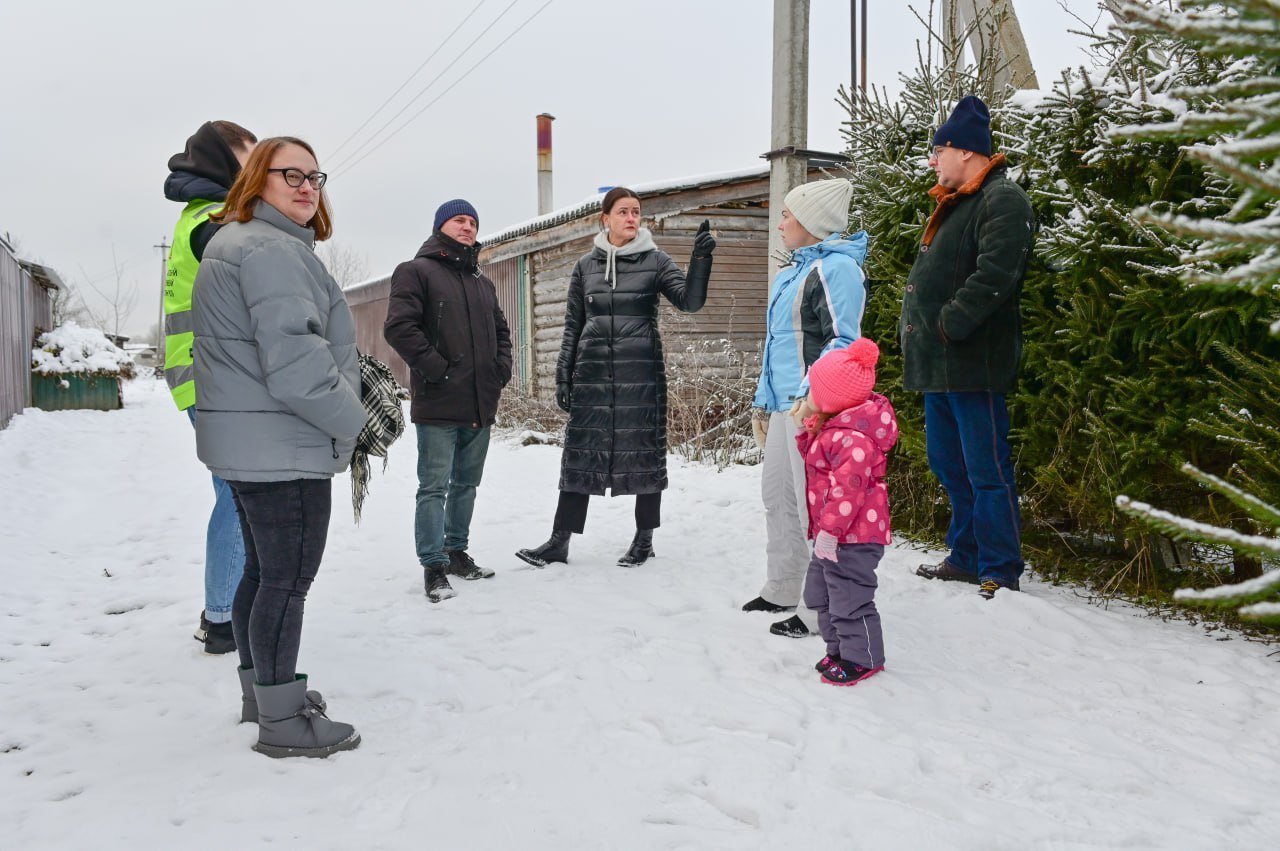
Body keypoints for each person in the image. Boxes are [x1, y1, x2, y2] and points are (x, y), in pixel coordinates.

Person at [192, 136, 364, 758]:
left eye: (315, 175)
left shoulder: (240, 242)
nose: (306, 185)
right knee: (285, 583)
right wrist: (354, 420)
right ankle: (283, 724)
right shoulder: (268, 249)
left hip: (253, 439)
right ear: (257, 177)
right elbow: (297, 367)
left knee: (264, 574)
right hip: (281, 441)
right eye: (289, 173)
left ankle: (262, 696)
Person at [515, 187, 716, 568]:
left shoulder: (655, 261)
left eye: (636, 212)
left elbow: (690, 302)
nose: (631, 218)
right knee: (579, 457)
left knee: (644, 454)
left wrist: (701, 259)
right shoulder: (585, 266)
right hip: (591, 376)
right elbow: (572, 326)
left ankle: (644, 539)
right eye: (623, 211)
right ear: (604, 219)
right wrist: (563, 377)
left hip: (640, 373)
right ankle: (559, 541)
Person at [903, 95, 1035, 600]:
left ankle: (1001, 568)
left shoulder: (1003, 199)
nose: (934, 160)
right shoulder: (958, 201)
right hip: (940, 366)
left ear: (965, 150)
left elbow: (996, 275)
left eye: (939, 150)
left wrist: (947, 325)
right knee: (950, 466)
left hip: (972, 363)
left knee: (986, 469)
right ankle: (965, 556)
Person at [742, 178, 869, 639]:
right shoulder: (791, 272)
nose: (780, 224)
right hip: (781, 406)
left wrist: (813, 399)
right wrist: (763, 399)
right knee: (778, 497)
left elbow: (843, 342)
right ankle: (782, 586)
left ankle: (822, 609)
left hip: (811, 408)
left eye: (787, 217)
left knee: (814, 509)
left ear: (812, 224)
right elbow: (776, 345)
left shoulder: (838, 270)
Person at [383, 200, 513, 603]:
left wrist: (499, 371)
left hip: (479, 402)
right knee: (434, 486)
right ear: (441, 226)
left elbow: (502, 331)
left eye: (473, 222)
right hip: (438, 401)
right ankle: (434, 565)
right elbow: (399, 328)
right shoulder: (415, 272)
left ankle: (457, 552)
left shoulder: (481, 283)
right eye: (460, 220)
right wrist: (437, 369)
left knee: (467, 484)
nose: (468, 227)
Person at [163, 120, 257, 654]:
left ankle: (222, 607)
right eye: (250, 159)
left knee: (233, 491)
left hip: (203, 376)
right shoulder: (213, 223)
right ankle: (221, 616)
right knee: (236, 493)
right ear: (224, 163)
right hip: (213, 378)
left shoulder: (198, 217)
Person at [796, 338, 898, 686]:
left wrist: (830, 532)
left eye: (812, 389)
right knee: (821, 593)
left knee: (849, 596)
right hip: (834, 536)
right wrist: (808, 430)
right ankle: (839, 649)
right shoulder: (835, 429)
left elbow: (847, 491)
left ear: (831, 399)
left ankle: (863, 658)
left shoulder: (853, 439)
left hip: (853, 537)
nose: (806, 394)